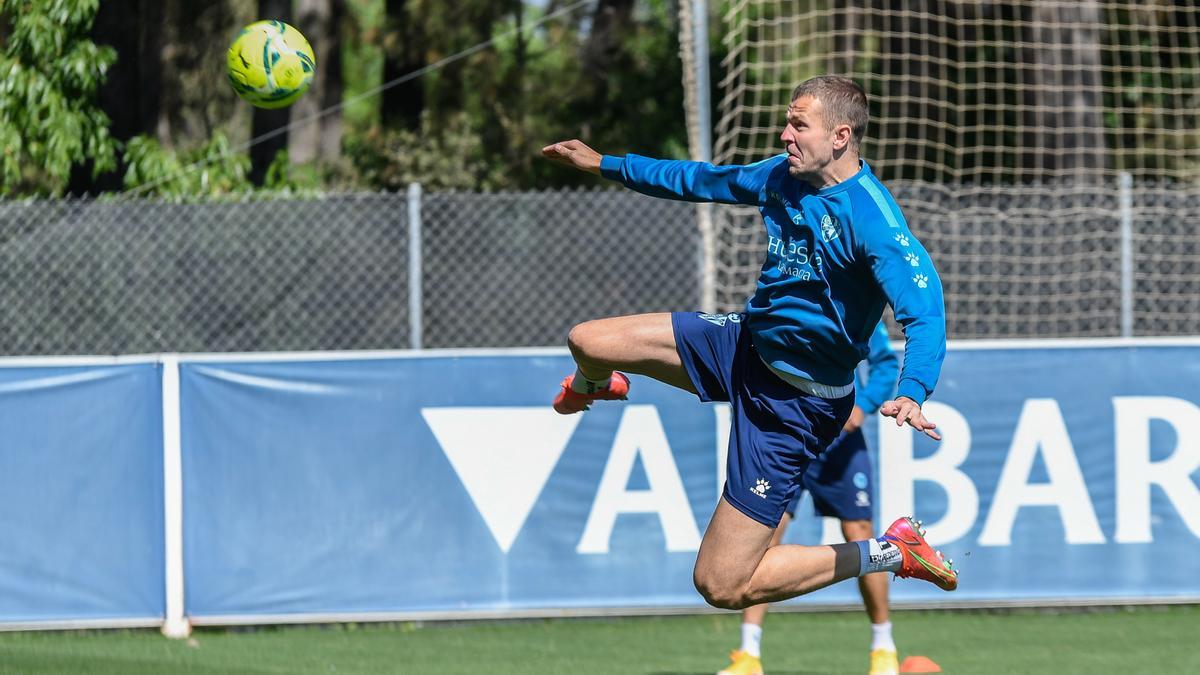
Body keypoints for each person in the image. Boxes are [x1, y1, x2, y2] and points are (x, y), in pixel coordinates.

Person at [541, 76, 956, 622]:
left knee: (721, 583)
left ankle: (891, 551)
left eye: (798, 124)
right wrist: (606, 165)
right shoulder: (781, 176)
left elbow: (925, 315)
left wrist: (913, 389)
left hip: (797, 406)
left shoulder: (874, 221)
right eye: (787, 122)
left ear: (841, 136)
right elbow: (701, 179)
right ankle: (599, 382)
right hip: (743, 344)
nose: (785, 135)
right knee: (588, 340)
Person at [719, 323, 903, 675]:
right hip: (785, 442)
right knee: (765, 540)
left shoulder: (857, 306)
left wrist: (862, 407)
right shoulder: (780, 303)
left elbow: (884, 364)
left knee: (861, 533)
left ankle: (883, 649)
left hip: (839, 447)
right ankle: (748, 655)